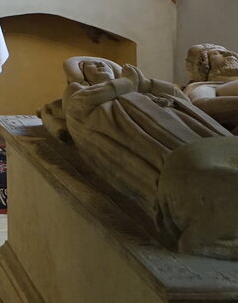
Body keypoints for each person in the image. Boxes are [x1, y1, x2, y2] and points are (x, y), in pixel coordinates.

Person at [59, 56, 227, 210]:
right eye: (91, 65)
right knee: (178, 152)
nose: (101, 65)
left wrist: (146, 84)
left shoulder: (140, 87)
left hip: (176, 118)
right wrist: (127, 83)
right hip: (137, 128)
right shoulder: (82, 92)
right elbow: (77, 107)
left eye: (104, 64)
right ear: (84, 75)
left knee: (210, 144)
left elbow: (182, 98)